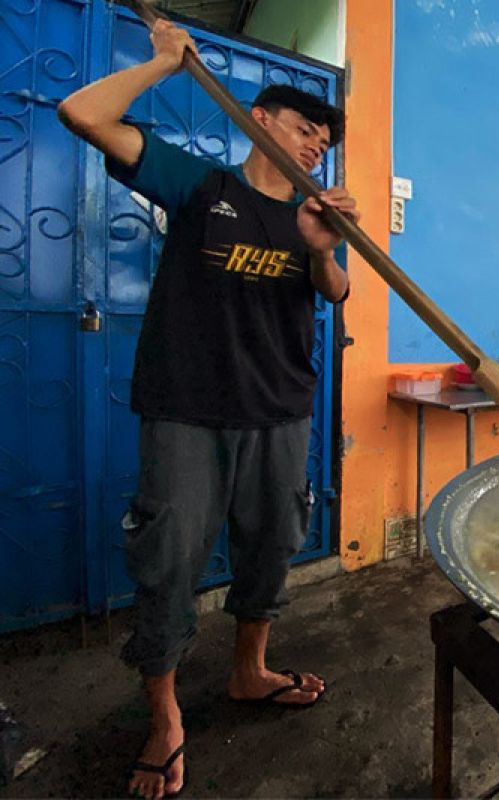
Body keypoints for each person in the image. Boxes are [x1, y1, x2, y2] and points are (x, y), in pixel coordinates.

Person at [58, 18, 358, 800]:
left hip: (281, 413)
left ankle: (248, 672)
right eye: (304, 130)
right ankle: (162, 718)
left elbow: (338, 294)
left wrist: (324, 247)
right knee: (167, 561)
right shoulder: (200, 186)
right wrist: (162, 63)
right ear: (259, 118)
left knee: (271, 550)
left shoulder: (318, 216)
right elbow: (84, 116)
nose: (314, 147)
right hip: (187, 411)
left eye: (323, 142)